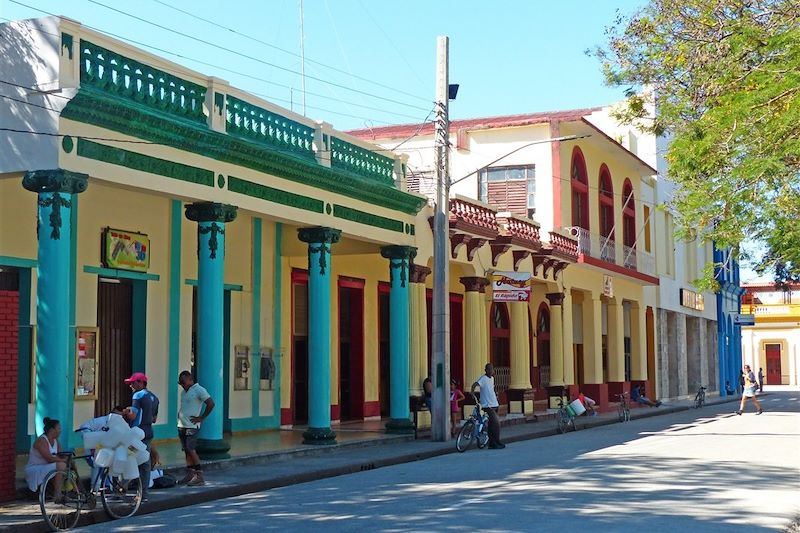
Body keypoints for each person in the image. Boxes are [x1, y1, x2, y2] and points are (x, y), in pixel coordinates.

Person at [125, 372, 159, 500]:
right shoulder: (155, 398)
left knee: (129, 455)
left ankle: (123, 486)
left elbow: (133, 415)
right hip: (148, 433)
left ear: (140, 382)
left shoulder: (138, 395)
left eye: (133, 383)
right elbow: (154, 419)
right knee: (145, 462)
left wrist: (125, 412)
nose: (131, 386)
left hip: (137, 434)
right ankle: (143, 492)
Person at [177, 370, 215, 486]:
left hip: (192, 426)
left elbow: (210, 403)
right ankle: (190, 473)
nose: (182, 385)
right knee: (186, 450)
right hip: (182, 424)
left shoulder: (199, 390)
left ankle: (199, 475)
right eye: (180, 383)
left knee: (191, 449)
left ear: (190, 379)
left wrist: (202, 417)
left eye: (184, 382)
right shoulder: (184, 392)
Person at [25, 418, 67, 495]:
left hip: (46, 467)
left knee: (70, 463)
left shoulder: (55, 440)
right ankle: (57, 493)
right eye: (58, 428)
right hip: (36, 469)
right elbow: (49, 458)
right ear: (51, 430)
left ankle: (77, 490)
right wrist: (63, 461)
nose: (60, 430)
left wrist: (67, 458)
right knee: (61, 465)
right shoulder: (41, 440)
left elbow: (61, 454)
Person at [471, 363, 505, 449]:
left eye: (491, 369)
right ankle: (494, 442)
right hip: (487, 405)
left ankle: (494, 442)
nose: (490, 371)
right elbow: (475, 384)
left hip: (494, 403)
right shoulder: (483, 378)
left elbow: (491, 389)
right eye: (488, 369)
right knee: (497, 423)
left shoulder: (492, 378)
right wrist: (472, 392)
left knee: (492, 425)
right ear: (485, 370)